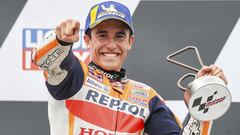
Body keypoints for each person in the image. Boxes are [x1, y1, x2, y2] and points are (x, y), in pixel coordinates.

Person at [31, 1, 228, 135]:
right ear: (87, 40)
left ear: (130, 42)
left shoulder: (146, 97)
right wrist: (60, 41)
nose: (111, 44)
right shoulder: (74, 75)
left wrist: (203, 104)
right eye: (102, 35)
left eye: (119, 36)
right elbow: (43, 60)